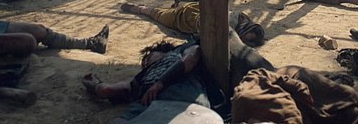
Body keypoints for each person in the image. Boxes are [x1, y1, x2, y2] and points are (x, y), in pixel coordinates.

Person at [83, 31, 274, 123]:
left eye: (150, 58)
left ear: (164, 52)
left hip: (182, 97)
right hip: (146, 105)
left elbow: (193, 56)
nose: (148, 63)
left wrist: (160, 82)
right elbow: (110, 89)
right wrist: (94, 85)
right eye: (146, 63)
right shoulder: (141, 77)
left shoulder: (180, 52)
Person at [119, 1, 265, 48]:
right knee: (156, 14)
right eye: (247, 37)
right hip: (182, 18)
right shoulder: (229, 24)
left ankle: (176, 4)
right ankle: (138, 8)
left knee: (167, 10)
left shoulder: (241, 18)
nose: (244, 39)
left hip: (193, 9)